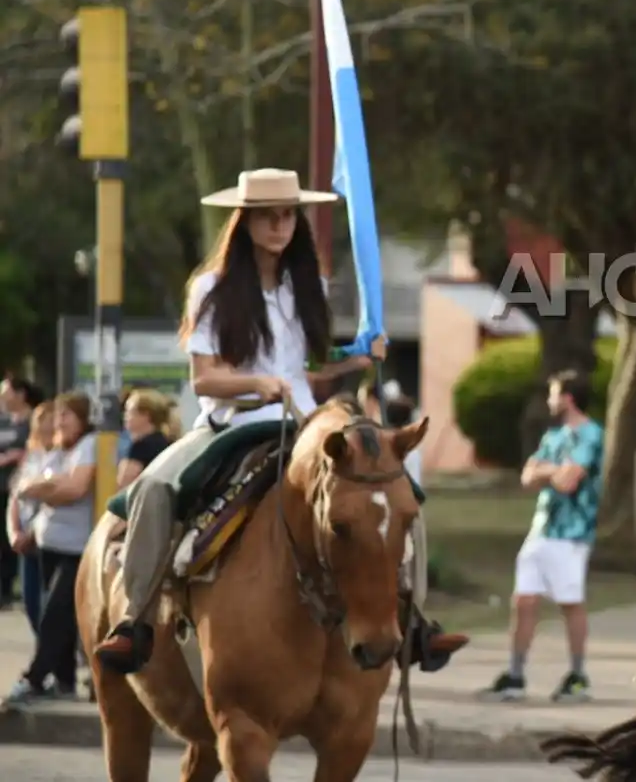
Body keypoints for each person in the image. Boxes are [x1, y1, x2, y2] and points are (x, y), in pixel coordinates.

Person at [92, 168, 468, 674]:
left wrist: (358, 358)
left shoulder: (307, 284)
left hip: (306, 427)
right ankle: (134, 620)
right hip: (232, 424)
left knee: (400, 498)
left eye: (288, 214)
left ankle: (416, 621)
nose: (279, 225)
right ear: (244, 222)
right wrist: (256, 383)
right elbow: (204, 379)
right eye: (268, 216)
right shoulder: (210, 288)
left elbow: (309, 366)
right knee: (155, 487)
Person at [486, 370, 604, 703]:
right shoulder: (554, 437)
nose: (549, 401)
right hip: (541, 529)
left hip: (572, 532)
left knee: (570, 602)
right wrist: (553, 471)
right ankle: (515, 674)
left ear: (567, 398)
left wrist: (545, 472)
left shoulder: (591, 435)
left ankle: (578, 675)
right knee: (523, 599)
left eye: (553, 394)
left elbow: (569, 481)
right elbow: (528, 476)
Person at [6, 392, 98, 706]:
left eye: (66, 416)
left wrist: (48, 489)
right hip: (50, 543)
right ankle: (65, 681)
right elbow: (25, 487)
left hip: (77, 546)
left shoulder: (90, 445)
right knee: (60, 618)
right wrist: (50, 487)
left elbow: (75, 489)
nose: (59, 422)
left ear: (82, 419)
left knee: (54, 615)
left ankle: (34, 678)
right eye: (58, 416)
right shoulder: (59, 448)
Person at [5, 400, 56, 634]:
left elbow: (53, 499)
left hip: (47, 540)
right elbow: (15, 496)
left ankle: (46, 662)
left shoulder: (63, 457)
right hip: (26, 543)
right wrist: (14, 531)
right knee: (31, 603)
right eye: (41, 421)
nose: (46, 427)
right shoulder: (31, 456)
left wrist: (32, 533)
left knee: (49, 607)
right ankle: (45, 657)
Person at [0, 376, 45, 611]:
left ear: (20, 394)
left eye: (6, 393)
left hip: (23, 491)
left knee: (13, 543)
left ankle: (7, 589)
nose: (2, 398)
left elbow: (36, 450)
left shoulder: (34, 420)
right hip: (5, 489)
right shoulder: (4, 421)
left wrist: (15, 457)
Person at [117, 388, 177, 490]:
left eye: (130, 411)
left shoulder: (141, 447)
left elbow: (124, 482)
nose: (125, 416)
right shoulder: (167, 441)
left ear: (146, 415)